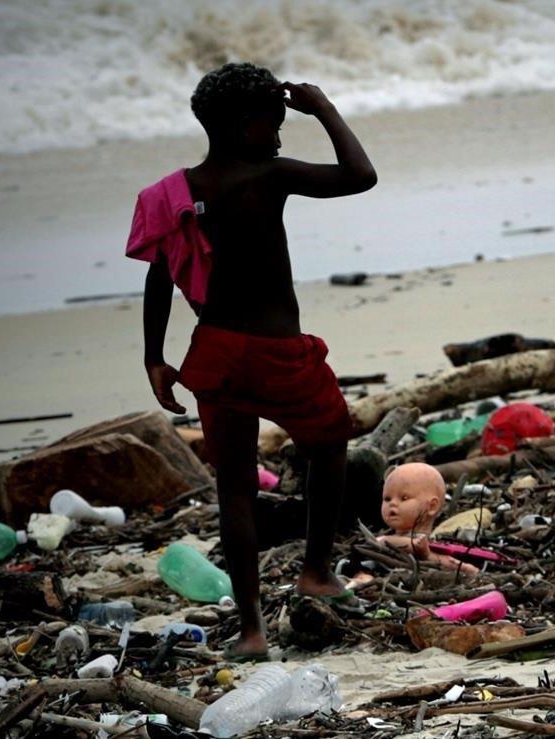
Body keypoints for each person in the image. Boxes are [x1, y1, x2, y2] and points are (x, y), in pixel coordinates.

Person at [126, 62, 377, 659]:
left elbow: (160, 278)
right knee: (331, 442)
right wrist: (323, 109)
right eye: (276, 123)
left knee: (235, 490)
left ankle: (251, 631)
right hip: (279, 354)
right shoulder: (268, 175)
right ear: (245, 128)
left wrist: (155, 358)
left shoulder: (176, 193)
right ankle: (316, 569)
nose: (282, 134)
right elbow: (360, 175)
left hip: (214, 352)